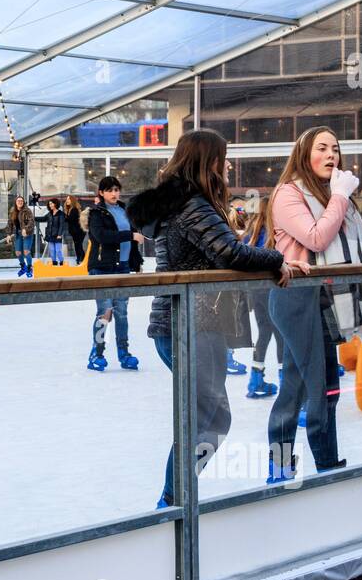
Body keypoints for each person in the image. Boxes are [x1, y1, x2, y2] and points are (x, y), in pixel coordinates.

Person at [128, 130, 297, 509]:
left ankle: (176, 498)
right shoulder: (193, 205)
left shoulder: (182, 204)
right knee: (209, 418)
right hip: (194, 325)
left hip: (184, 324)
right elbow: (229, 253)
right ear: (207, 162)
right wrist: (276, 260)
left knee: (208, 416)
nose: (229, 165)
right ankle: (174, 501)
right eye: (224, 158)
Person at [265, 126, 362, 483]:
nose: (331, 154)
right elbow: (317, 238)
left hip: (325, 297)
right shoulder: (288, 195)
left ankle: (299, 465)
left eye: (335, 148)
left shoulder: (331, 197)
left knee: (312, 385)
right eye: (322, 148)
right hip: (297, 298)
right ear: (304, 154)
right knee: (313, 387)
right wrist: (340, 197)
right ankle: (314, 466)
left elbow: (347, 253)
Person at [84, 176, 144, 371]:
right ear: (101, 192)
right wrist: (130, 235)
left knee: (122, 313)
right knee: (105, 313)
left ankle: (124, 353)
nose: (114, 194)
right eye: (110, 190)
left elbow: (133, 242)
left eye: (117, 190)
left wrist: (137, 263)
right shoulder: (96, 213)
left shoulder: (125, 211)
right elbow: (102, 236)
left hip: (123, 267)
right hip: (102, 267)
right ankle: (97, 352)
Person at [241, 196, 283, 399]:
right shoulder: (274, 233)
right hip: (274, 290)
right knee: (281, 334)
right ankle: (286, 382)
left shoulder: (249, 233)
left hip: (255, 291)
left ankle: (255, 379)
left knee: (264, 331)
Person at [9, 195, 36, 278]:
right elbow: (10, 223)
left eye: (21, 201)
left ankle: (29, 268)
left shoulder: (27, 211)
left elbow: (31, 222)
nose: (20, 202)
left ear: (23, 202)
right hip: (18, 234)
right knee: (18, 252)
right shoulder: (13, 211)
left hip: (27, 234)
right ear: (16, 202)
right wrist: (8, 234)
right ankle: (23, 266)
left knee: (26, 251)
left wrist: (26, 229)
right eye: (18, 201)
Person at [42, 198, 67, 266]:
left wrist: (59, 234)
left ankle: (62, 262)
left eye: (52, 203)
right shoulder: (49, 214)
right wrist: (32, 217)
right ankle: (54, 263)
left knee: (58, 250)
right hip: (50, 235)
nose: (50, 205)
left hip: (57, 236)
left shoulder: (61, 214)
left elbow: (62, 225)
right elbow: (42, 218)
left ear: (55, 204)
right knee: (52, 251)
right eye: (49, 204)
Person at [64, 194, 85, 263]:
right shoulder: (69, 209)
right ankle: (79, 258)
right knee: (77, 245)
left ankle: (81, 259)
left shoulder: (74, 209)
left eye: (68, 199)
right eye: (66, 199)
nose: (67, 200)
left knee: (78, 245)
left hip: (79, 231)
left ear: (72, 200)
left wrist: (64, 216)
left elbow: (70, 219)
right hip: (75, 231)